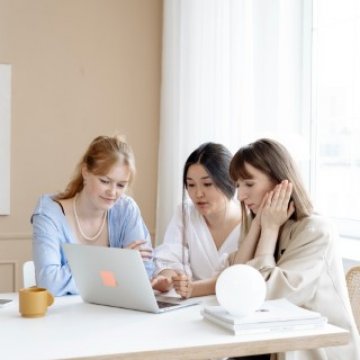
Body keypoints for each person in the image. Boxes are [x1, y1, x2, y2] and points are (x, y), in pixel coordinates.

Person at [227, 138, 360, 360]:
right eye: (238, 186)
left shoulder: (316, 231)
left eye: (249, 184)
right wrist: (259, 226)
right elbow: (235, 286)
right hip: (265, 341)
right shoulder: (258, 224)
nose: (240, 196)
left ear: (281, 183)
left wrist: (268, 231)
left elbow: (269, 296)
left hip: (311, 350)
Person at [31, 135, 154, 296]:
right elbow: (49, 285)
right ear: (85, 172)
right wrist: (116, 262)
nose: (113, 192)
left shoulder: (126, 210)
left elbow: (144, 274)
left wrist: (96, 270)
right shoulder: (49, 213)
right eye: (104, 181)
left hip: (115, 314)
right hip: (66, 318)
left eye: (121, 185)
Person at [153, 142, 241, 298]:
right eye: (191, 185)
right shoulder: (185, 212)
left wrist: (193, 288)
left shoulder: (249, 221)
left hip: (234, 304)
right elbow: (169, 257)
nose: (197, 194)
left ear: (229, 181)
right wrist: (167, 278)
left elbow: (244, 277)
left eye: (207, 184)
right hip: (191, 306)